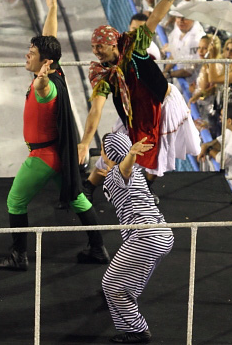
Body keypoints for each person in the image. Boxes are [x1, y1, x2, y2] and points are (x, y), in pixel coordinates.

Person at [0, 0, 109, 270]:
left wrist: (40, 78)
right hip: (57, 154)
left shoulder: (46, 84)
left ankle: (19, 255)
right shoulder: (56, 68)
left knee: (15, 201)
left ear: (45, 62)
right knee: (78, 198)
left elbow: (43, 88)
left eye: (31, 53)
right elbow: (50, 37)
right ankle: (98, 249)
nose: (26, 55)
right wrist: (53, 7)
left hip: (42, 158)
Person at [78, 0, 196, 201]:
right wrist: (85, 142)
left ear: (113, 44)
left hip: (162, 104)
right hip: (132, 114)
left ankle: (146, 190)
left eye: (99, 47)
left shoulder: (134, 45)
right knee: (115, 148)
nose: (96, 52)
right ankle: (90, 185)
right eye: (93, 48)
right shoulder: (103, 72)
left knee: (159, 150)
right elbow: (96, 109)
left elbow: (155, 17)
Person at [100, 133, 173, 344]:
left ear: (110, 152)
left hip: (144, 237)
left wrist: (131, 154)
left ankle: (137, 329)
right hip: (164, 234)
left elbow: (124, 169)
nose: (101, 152)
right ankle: (123, 301)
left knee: (110, 284)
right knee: (130, 280)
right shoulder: (137, 174)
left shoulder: (118, 172)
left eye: (104, 149)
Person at [163, 1, 204, 86]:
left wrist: (168, 74)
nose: (181, 21)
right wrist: (165, 71)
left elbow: (189, 71)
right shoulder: (178, 29)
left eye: (185, 17)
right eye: (178, 17)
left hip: (193, 84)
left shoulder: (197, 39)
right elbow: (175, 53)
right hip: (179, 77)